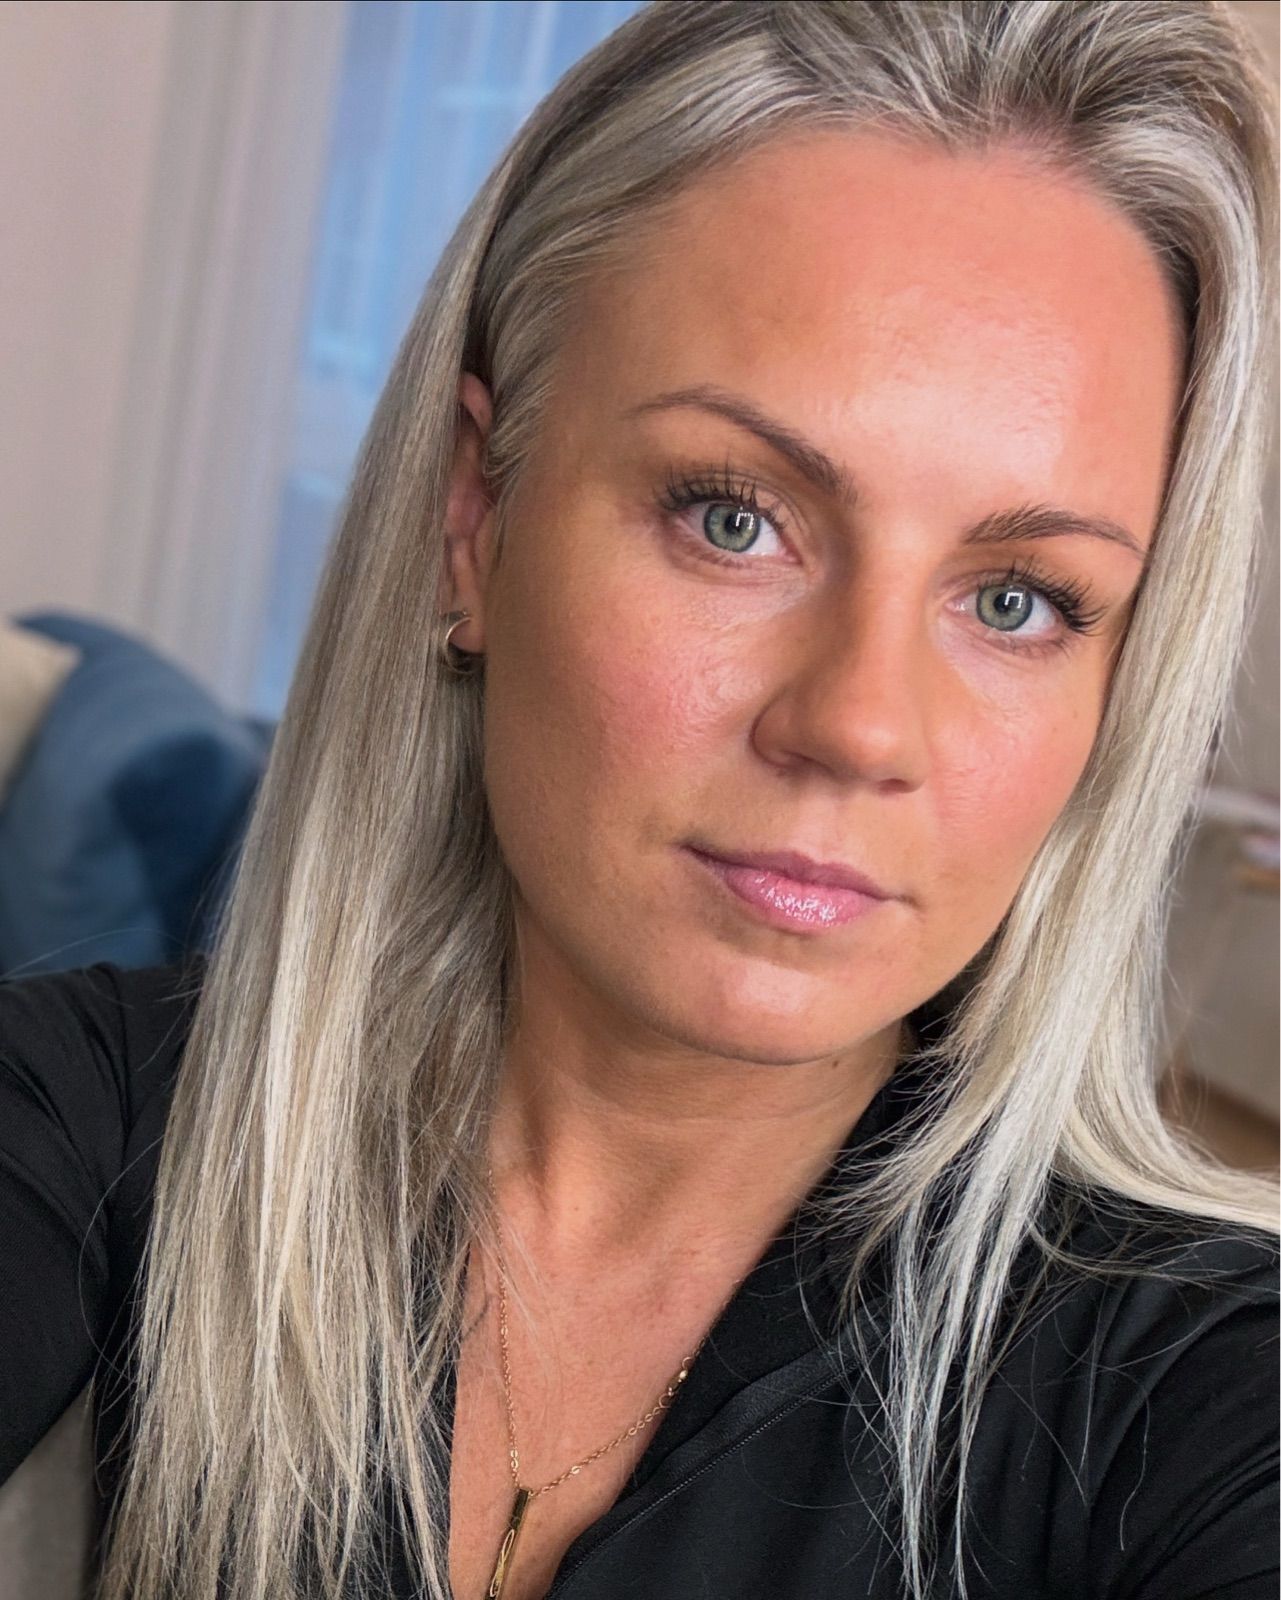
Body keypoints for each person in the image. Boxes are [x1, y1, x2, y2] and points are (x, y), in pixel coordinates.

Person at [1, 2, 1277, 1597]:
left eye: (1016, 601)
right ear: (474, 523)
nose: (855, 724)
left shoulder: (1201, 1395)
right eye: (733, 519)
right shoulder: (83, 1125)